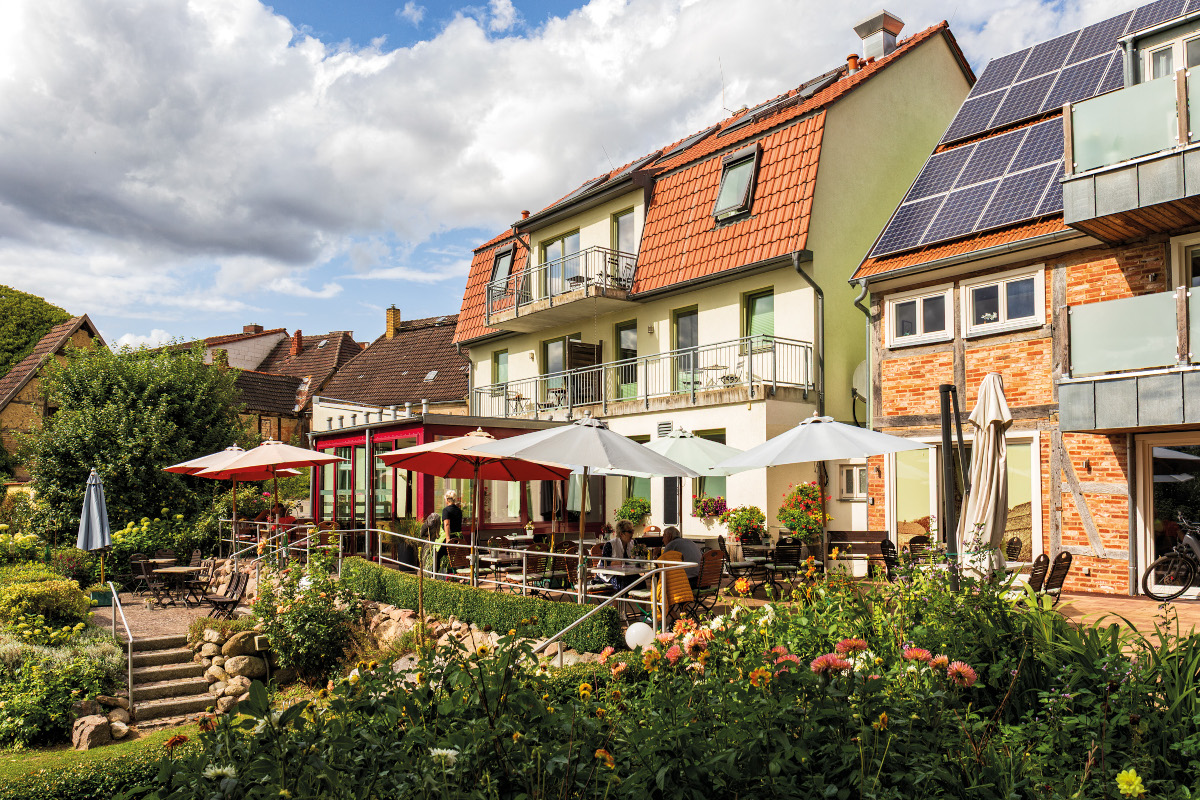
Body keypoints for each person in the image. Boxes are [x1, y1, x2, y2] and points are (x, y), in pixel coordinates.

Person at [601, 520, 637, 591]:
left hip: (626, 573)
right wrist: (623, 562)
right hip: (609, 576)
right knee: (622, 582)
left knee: (640, 580)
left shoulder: (633, 543)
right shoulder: (610, 544)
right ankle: (619, 601)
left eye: (632, 531)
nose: (632, 534)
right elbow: (604, 563)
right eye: (630, 532)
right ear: (621, 534)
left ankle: (637, 600)